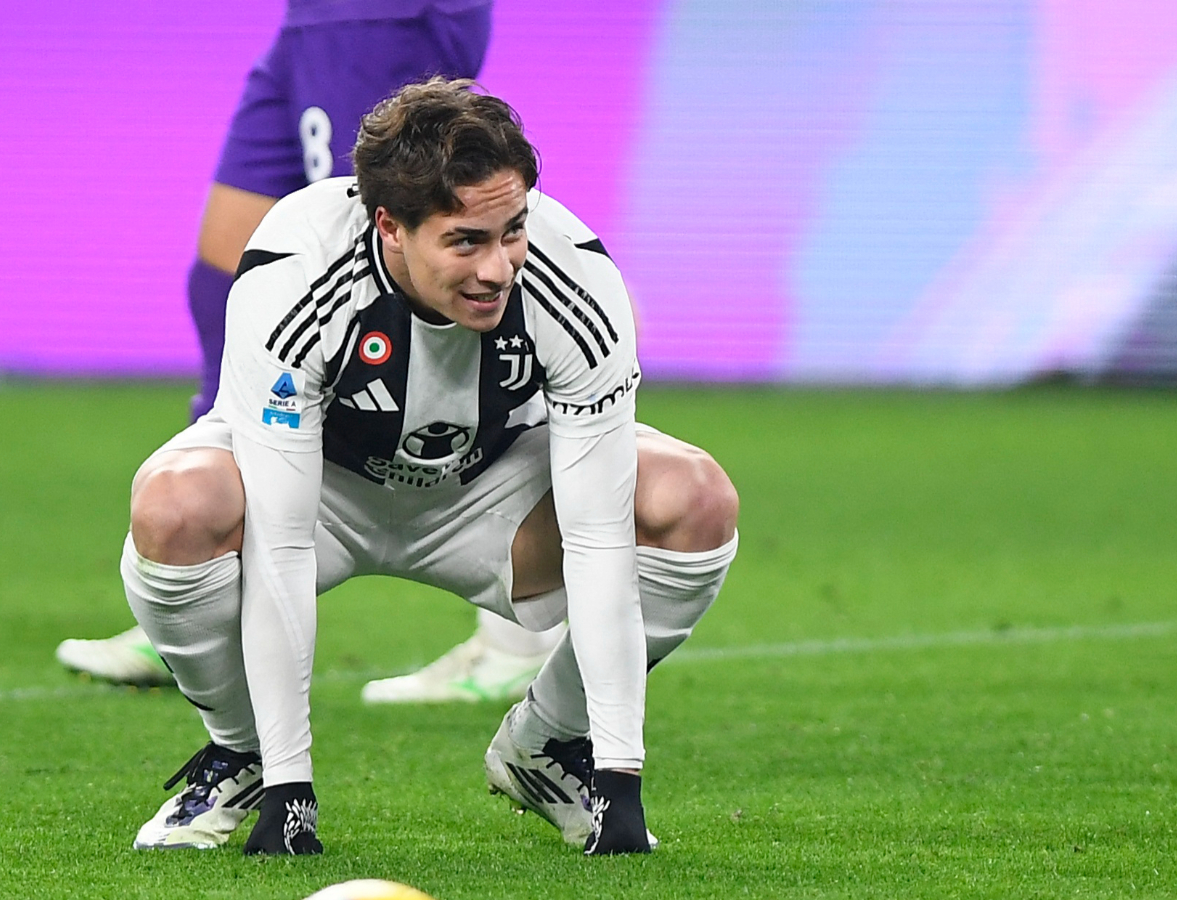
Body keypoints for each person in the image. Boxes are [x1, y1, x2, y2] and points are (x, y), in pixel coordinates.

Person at [120, 78, 740, 855]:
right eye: (465, 242)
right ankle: (241, 756)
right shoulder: (295, 267)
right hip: (323, 496)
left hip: (490, 499)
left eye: (513, 230)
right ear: (390, 226)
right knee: (176, 507)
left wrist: (621, 775)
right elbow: (280, 543)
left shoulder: (574, 279)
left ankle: (549, 745)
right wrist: (289, 784)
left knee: (692, 499)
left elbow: (598, 532)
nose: (498, 268)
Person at [53, 0, 566, 702]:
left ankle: (521, 635)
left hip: (380, 16)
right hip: (310, 22)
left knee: (404, 263)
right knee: (225, 277)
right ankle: (212, 588)